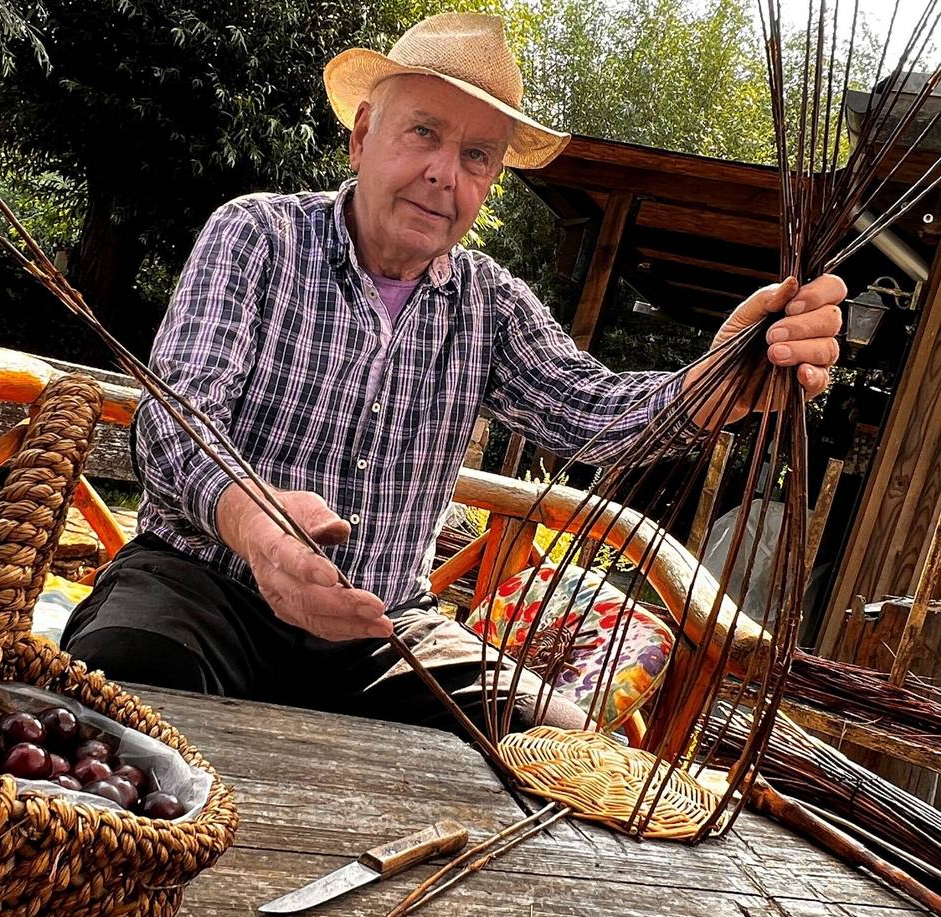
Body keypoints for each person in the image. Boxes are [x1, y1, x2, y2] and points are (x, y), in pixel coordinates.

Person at [61, 13, 844, 735]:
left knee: (552, 745)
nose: (445, 173)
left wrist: (721, 378)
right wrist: (259, 529)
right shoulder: (258, 235)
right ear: (362, 137)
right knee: (121, 681)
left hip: (384, 626)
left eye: (476, 156)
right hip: (206, 583)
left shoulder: (489, 303)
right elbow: (175, 420)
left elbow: (596, 415)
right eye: (423, 134)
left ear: (491, 179)